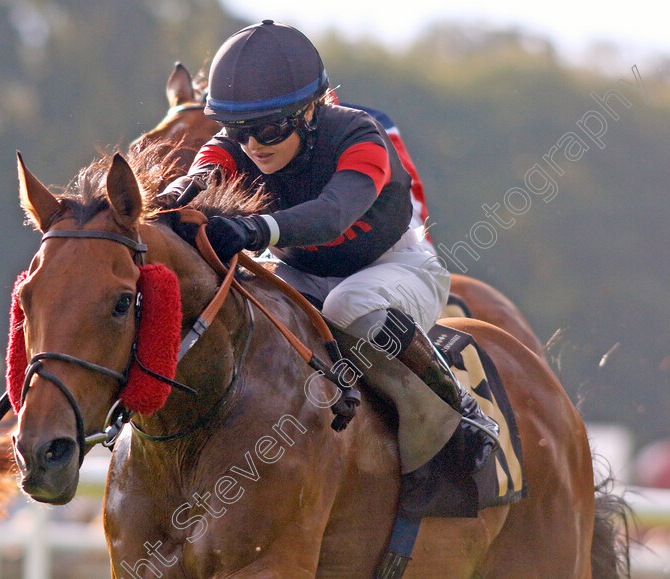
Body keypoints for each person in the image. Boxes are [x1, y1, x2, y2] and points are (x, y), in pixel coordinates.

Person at [161, 20, 498, 472]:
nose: (254, 145)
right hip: (304, 270)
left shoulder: (361, 136)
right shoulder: (235, 143)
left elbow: (333, 214)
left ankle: (461, 412)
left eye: (270, 129)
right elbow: (199, 176)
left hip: (395, 265)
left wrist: (254, 230)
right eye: (240, 130)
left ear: (310, 111)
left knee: (348, 303)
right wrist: (169, 200)